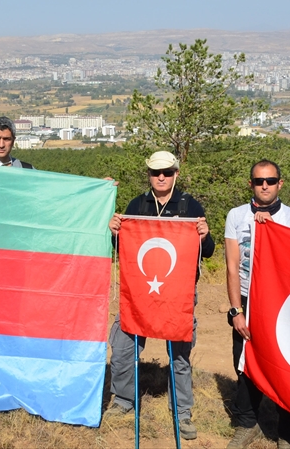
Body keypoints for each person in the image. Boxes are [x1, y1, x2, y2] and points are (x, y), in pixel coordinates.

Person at [106, 150, 214, 441]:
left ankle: (182, 411)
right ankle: (124, 400)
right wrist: (114, 231)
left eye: (167, 172)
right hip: (139, 291)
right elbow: (120, 249)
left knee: (179, 356)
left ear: (176, 173)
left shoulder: (190, 205)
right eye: (156, 173)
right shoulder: (136, 205)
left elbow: (209, 250)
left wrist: (205, 235)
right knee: (124, 345)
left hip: (178, 293)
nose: (161, 177)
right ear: (149, 176)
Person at [224, 160, 290, 449]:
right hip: (248, 297)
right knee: (245, 362)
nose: (265, 185)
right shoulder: (236, 215)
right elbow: (232, 266)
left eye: (271, 180)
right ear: (251, 184)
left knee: (287, 364)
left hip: (283, 299)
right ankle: (247, 424)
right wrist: (236, 311)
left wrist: (273, 232)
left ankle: (288, 432)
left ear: (280, 184)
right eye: (259, 180)